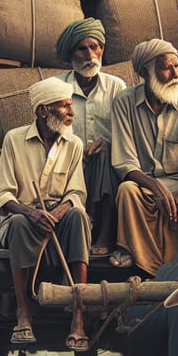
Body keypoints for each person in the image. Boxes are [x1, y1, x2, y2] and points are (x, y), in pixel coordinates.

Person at [0, 76, 91, 348]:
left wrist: (58, 211)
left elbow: (76, 193)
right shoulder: (14, 140)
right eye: (64, 106)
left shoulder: (74, 145)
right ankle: (23, 312)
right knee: (20, 224)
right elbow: (3, 194)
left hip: (59, 218)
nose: (71, 112)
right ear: (42, 111)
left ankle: (78, 316)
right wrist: (32, 213)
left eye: (71, 106)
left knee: (79, 216)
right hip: (25, 216)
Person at [110, 38, 178, 274]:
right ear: (146, 73)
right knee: (126, 191)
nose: (175, 73)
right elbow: (125, 162)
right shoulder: (124, 102)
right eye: (167, 67)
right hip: (144, 187)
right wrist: (156, 187)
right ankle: (145, 264)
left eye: (176, 66)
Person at [55, 18, 126, 258]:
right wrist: (79, 152)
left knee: (105, 156)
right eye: (82, 49)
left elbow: (126, 131)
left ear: (102, 50)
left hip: (107, 164)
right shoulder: (58, 87)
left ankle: (103, 236)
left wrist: (107, 145)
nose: (90, 55)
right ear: (71, 55)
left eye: (95, 47)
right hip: (67, 162)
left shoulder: (116, 87)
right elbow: (50, 132)